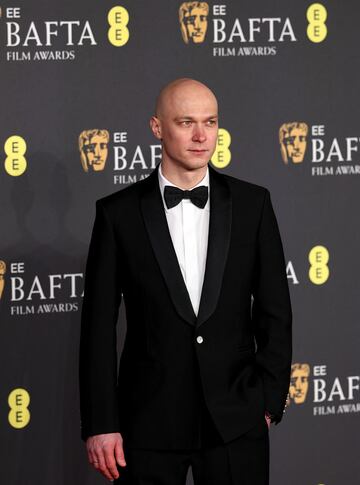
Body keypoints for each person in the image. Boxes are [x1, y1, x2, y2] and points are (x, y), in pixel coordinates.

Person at [79, 78, 292, 484]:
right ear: (157, 127)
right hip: (146, 423)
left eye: (210, 123)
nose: (201, 136)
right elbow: (97, 328)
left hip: (236, 419)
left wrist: (267, 399)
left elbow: (275, 311)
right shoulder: (117, 214)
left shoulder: (253, 204)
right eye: (186, 122)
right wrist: (101, 422)